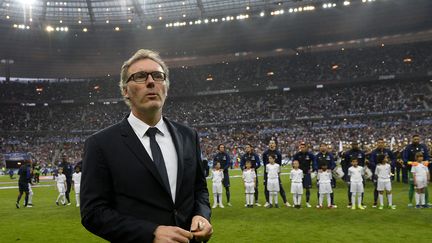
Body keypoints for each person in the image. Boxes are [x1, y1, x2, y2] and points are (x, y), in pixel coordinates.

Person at [80, 49, 212, 243]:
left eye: (158, 76)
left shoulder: (188, 136)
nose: (151, 82)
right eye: (140, 76)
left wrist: (201, 215)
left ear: (165, 86)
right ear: (125, 90)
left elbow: (199, 189)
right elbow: (93, 213)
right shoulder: (101, 144)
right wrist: (150, 233)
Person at [403, 135, 430, 207]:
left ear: (419, 139)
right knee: (412, 186)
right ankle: (410, 202)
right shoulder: (408, 147)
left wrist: (426, 161)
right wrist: (411, 163)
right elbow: (405, 159)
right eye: (415, 139)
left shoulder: (423, 146)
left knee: (425, 187)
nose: (416, 140)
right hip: (413, 170)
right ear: (412, 139)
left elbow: (427, 156)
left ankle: (425, 202)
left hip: (422, 169)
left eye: (417, 139)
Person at [369, 138, 396, 208]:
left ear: (384, 143)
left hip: (386, 172)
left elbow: (394, 159)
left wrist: (391, 164)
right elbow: (371, 161)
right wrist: (378, 166)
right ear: (377, 144)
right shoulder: (374, 152)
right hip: (378, 172)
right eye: (379, 143)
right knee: (376, 188)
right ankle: (375, 202)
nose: (380, 144)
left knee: (388, 189)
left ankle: (389, 203)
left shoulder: (388, 151)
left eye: (382, 143)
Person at [262, 140, 289, 207]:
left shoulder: (278, 153)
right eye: (270, 143)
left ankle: (285, 201)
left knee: (280, 187)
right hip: (268, 173)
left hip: (276, 173)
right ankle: (268, 202)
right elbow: (265, 163)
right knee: (266, 187)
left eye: (273, 143)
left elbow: (279, 164)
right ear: (268, 144)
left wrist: (279, 172)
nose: (271, 144)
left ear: (275, 145)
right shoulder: (265, 153)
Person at [293, 142, 315, 208]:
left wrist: (313, 169)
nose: (302, 148)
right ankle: (296, 202)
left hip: (306, 173)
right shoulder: (297, 155)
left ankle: (307, 202)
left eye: (303, 147)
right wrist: (294, 169)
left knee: (307, 189)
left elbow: (314, 161)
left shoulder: (310, 154)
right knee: (297, 189)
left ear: (306, 147)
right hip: (299, 175)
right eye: (301, 147)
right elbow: (293, 162)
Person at [344, 141, 366, 208]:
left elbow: (363, 161)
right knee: (350, 190)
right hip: (351, 173)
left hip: (360, 172)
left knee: (361, 190)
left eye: (356, 144)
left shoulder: (361, 153)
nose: (355, 146)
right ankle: (350, 203)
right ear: (351, 145)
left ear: (358, 145)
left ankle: (361, 203)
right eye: (354, 144)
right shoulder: (348, 153)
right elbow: (345, 163)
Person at [314, 143, 337, 208]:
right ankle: (319, 203)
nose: (322, 147)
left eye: (324, 146)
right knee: (319, 189)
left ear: (326, 147)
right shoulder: (317, 156)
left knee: (330, 189)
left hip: (328, 174)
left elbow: (333, 164)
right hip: (320, 174)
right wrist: (317, 169)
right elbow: (314, 164)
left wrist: (331, 169)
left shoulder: (330, 155)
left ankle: (331, 203)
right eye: (321, 146)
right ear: (320, 148)